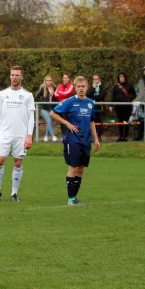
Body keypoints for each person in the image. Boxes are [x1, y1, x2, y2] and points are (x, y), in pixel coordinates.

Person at [49, 76, 100, 206]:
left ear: (87, 87)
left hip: (86, 140)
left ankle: (74, 198)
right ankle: (71, 199)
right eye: (78, 87)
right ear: (75, 88)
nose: (81, 89)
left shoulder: (90, 103)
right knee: (73, 167)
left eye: (83, 86)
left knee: (81, 169)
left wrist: (96, 139)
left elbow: (91, 121)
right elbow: (53, 113)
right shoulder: (70, 102)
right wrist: (67, 123)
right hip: (72, 140)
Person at [0, 66, 35, 203]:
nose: (14, 77)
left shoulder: (27, 95)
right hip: (5, 135)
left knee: (18, 163)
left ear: (22, 77)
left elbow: (31, 117)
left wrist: (29, 135)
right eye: (12, 75)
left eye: (17, 75)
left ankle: (14, 193)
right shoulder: (2, 94)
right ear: (10, 76)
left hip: (20, 135)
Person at [109, 73, 136, 142]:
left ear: (125, 77)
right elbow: (113, 97)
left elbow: (134, 94)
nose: (121, 78)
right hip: (118, 107)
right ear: (118, 78)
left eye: (123, 76)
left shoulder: (129, 86)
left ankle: (125, 137)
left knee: (126, 121)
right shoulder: (116, 86)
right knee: (120, 121)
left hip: (127, 107)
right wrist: (111, 105)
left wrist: (129, 100)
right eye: (120, 77)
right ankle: (120, 136)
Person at [35, 75, 58, 142]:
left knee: (50, 122)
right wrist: (42, 102)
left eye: (50, 80)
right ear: (45, 81)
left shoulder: (55, 88)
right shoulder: (42, 88)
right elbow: (36, 97)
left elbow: (56, 98)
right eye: (47, 80)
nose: (49, 82)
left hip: (52, 108)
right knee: (49, 121)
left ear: (52, 81)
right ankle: (53, 136)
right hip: (44, 108)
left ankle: (46, 136)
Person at [87, 74, 106, 140]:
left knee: (99, 121)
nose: (96, 80)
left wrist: (93, 98)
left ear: (99, 79)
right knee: (92, 121)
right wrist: (93, 88)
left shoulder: (103, 87)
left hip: (99, 107)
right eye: (94, 79)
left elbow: (101, 96)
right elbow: (88, 95)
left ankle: (99, 136)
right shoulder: (91, 87)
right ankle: (93, 135)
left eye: (97, 79)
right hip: (92, 107)